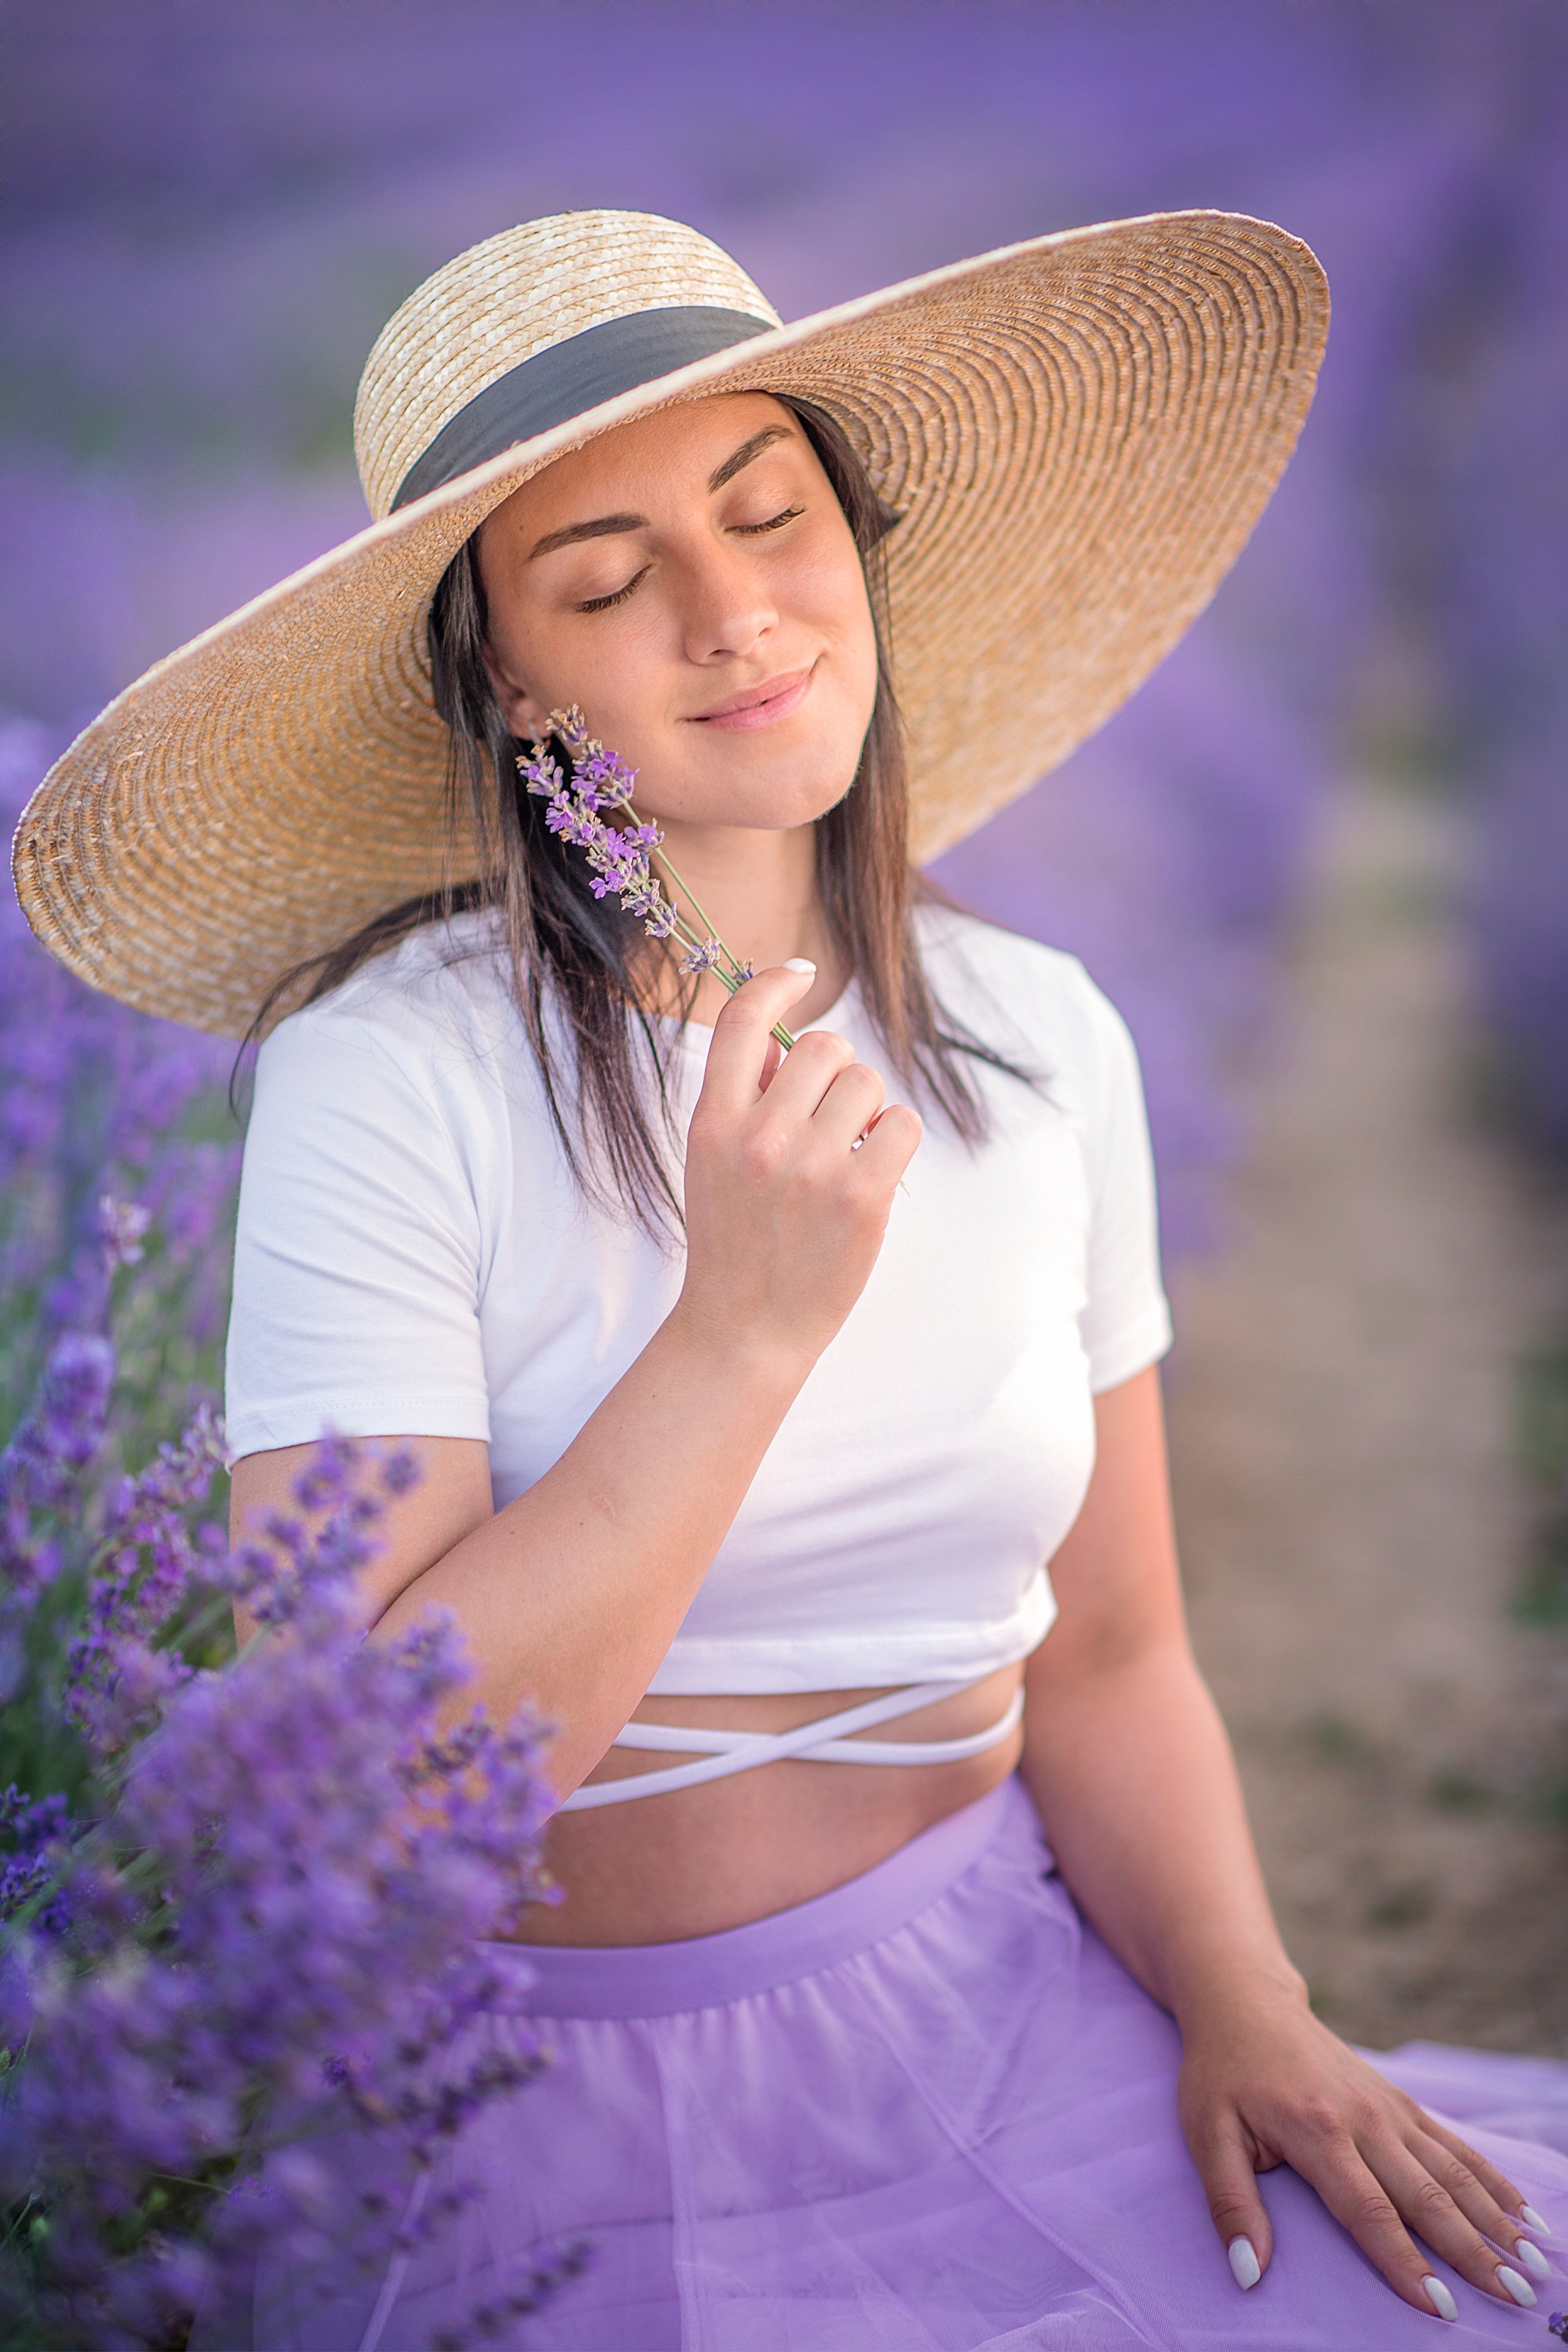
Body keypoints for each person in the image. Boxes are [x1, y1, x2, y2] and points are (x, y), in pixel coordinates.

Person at [18, 209, 1567, 2349]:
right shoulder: (393, 1072)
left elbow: (1110, 1658)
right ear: (506, 684)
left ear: (861, 553)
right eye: (605, 578)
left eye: (773, 517)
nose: (733, 612)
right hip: (539, 2127)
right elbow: (354, 1798)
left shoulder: (1042, 1039)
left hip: (1017, 2007)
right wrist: (736, 1330)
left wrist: (1251, 2008)